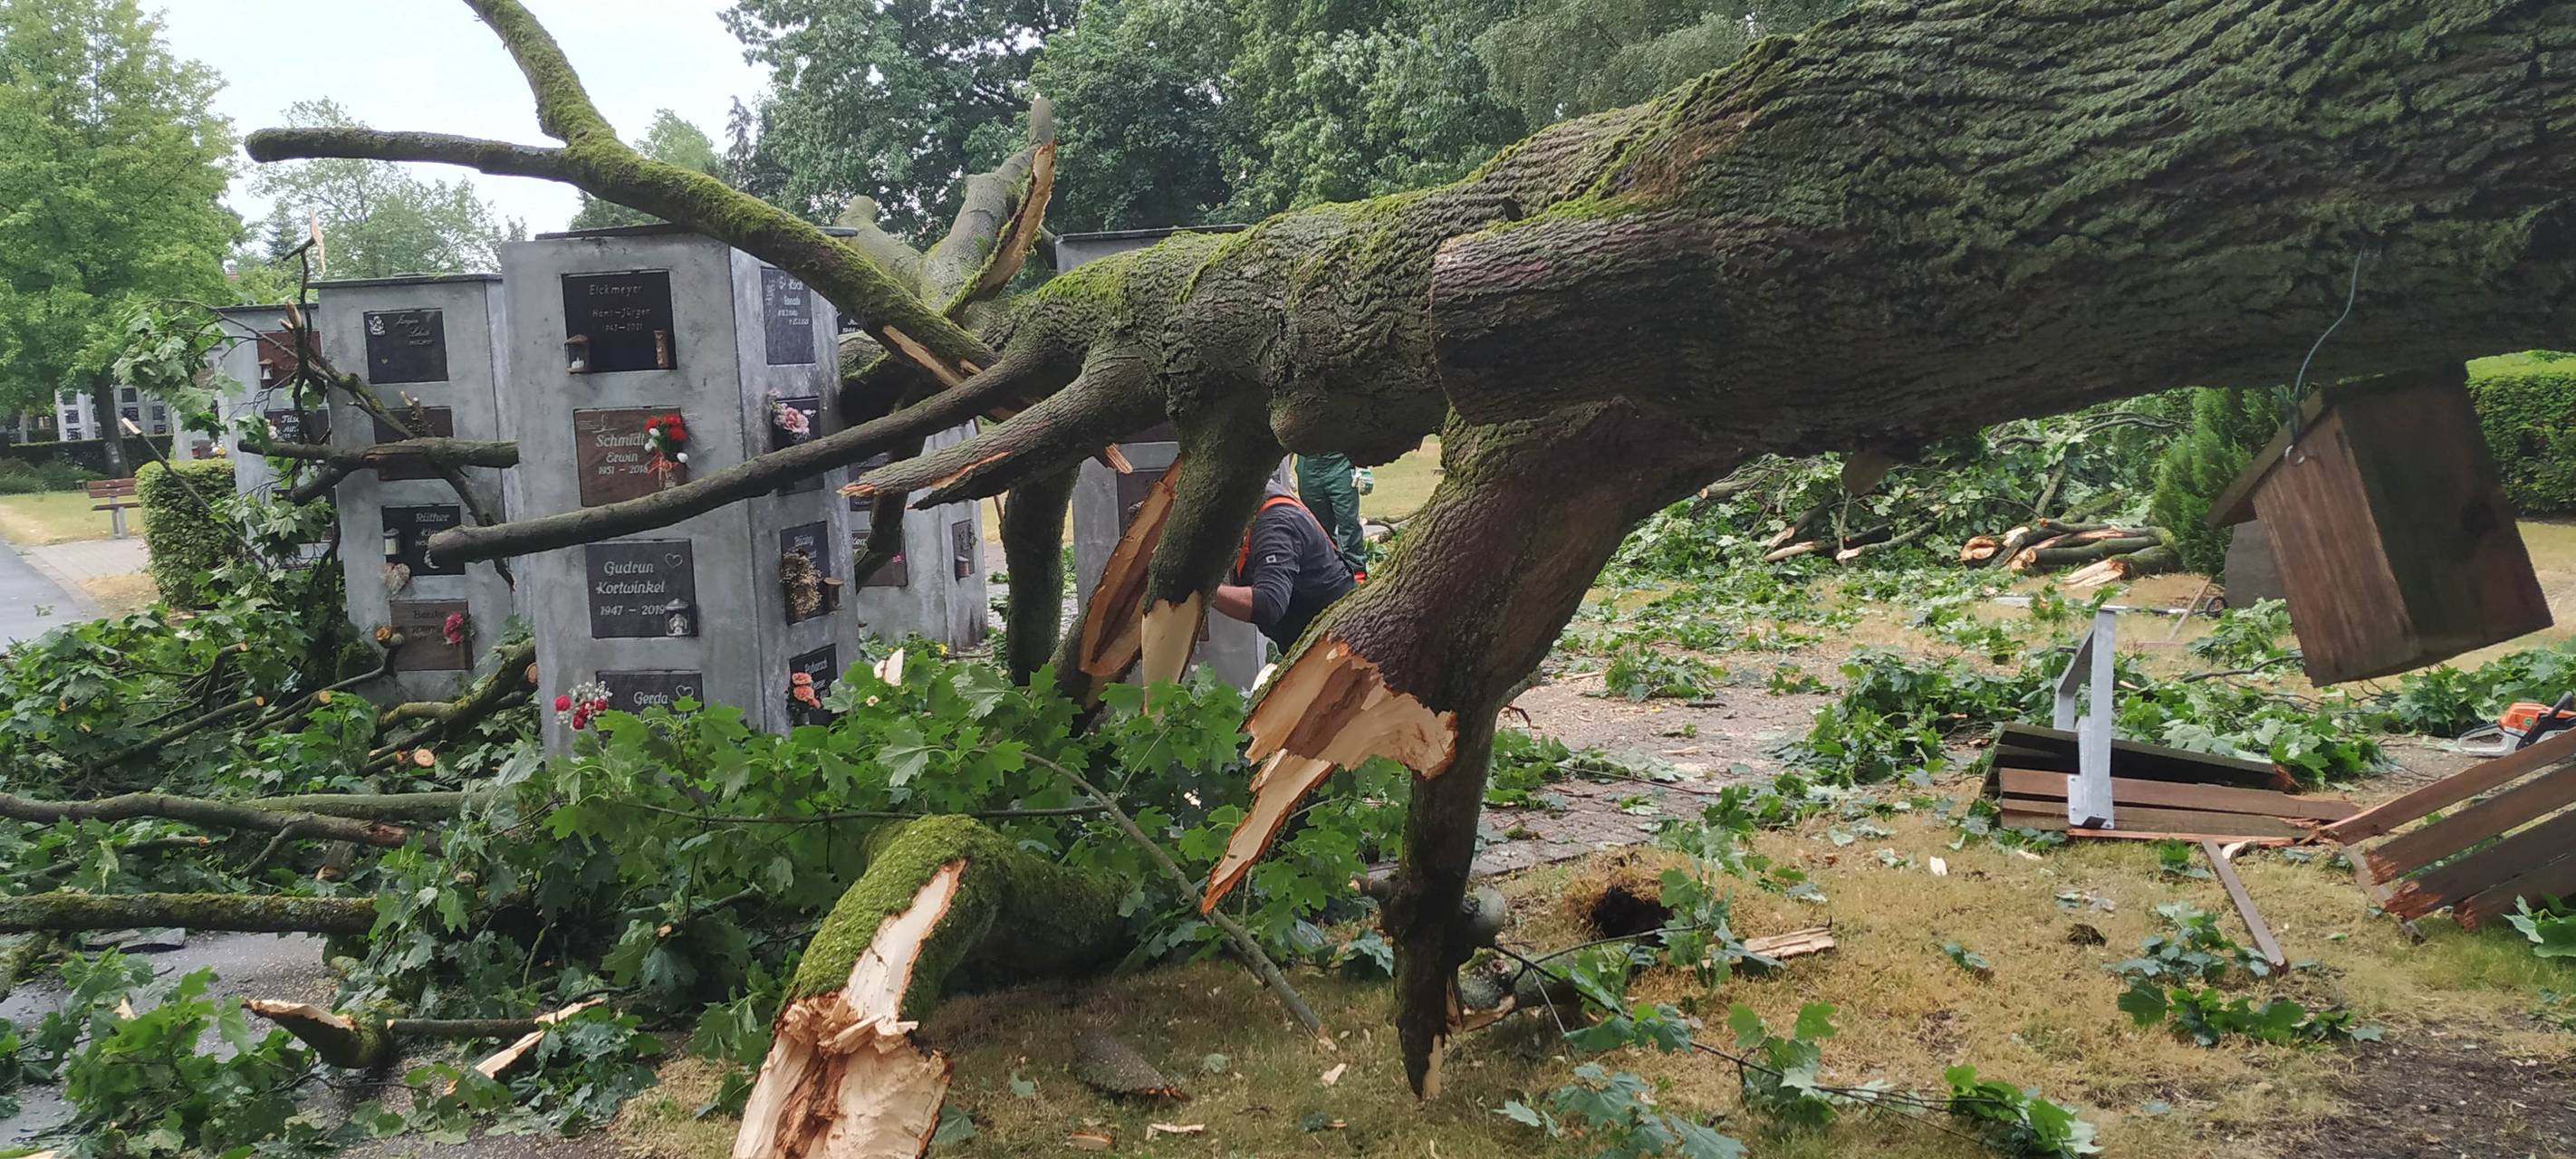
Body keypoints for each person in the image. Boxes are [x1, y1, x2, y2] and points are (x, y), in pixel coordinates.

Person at [1212, 478, 1355, 648]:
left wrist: (1202, 591)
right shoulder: (1255, 500)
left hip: (1339, 645)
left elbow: (1269, 604)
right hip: (1315, 640)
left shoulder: (1274, 526)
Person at [1295, 452, 1370, 579]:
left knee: (1348, 522)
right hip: (1309, 466)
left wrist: (1364, 466)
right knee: (1316, 527)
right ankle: (1326, 574)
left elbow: (1359, 433)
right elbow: (1287, 439)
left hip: (1340, 463)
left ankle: (1357, 574)